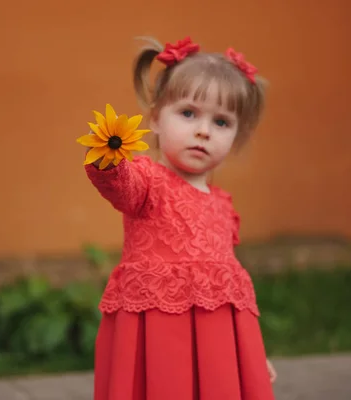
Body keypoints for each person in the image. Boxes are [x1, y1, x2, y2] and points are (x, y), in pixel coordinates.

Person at [80, 36, 276, 400]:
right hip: (158, 341)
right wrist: (109, 154)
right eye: (188, 113)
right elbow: (118, 183)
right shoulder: (147, 183)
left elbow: (232, 296)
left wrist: (249, 356)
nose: (203, 130)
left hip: (217, 349)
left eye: (221, 122)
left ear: (235, 137)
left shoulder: (223, 206)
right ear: (155, 118)